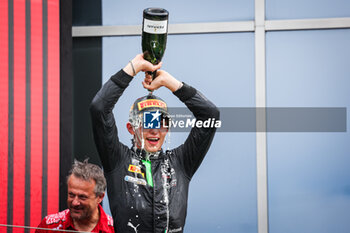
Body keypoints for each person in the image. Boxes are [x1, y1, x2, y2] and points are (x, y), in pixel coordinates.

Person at [90, 54, 220, 233]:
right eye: (148, 123)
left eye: (161, 124)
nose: (154, 131)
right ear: (131, 128)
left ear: (167, 129)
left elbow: (210, 115)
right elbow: (99, 108)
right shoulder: (117, 159)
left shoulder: (180, 162)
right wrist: (133, 67)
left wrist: (171, 83)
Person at [35, 160, 114, 233]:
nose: (75, 203)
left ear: (100, 197)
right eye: (71, 195)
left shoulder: (115, 229)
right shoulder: (49, 226)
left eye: (82, 197)